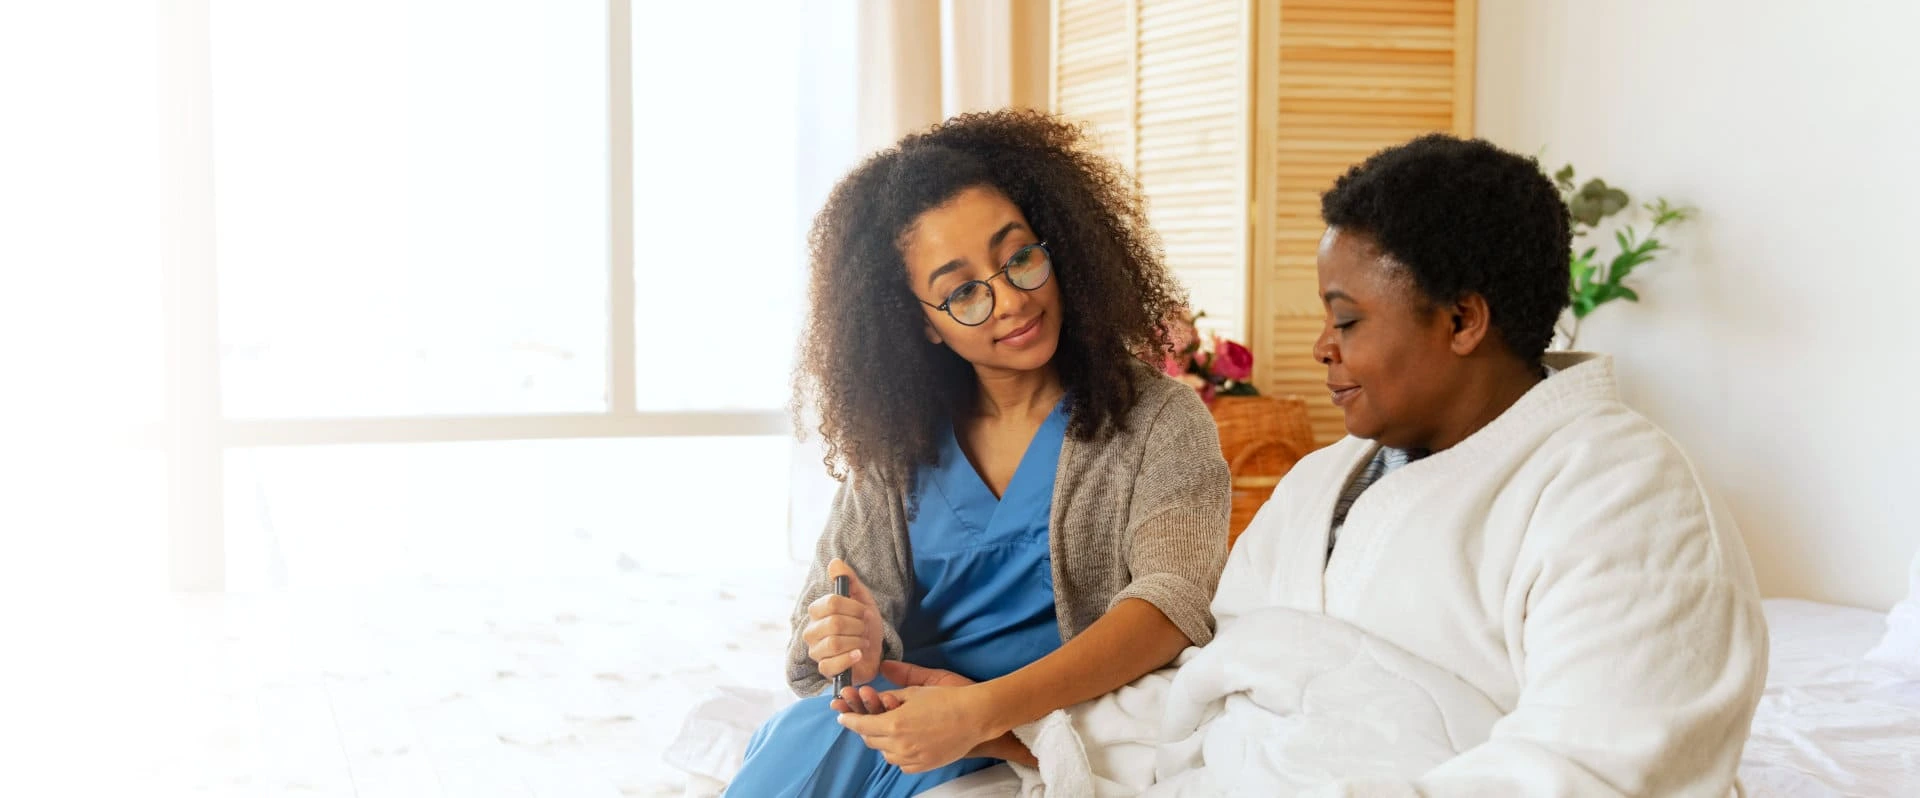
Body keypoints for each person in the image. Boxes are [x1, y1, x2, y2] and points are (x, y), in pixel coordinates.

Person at [1184, 133, 1769, 793]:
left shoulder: (1627, 494)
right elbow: (1218, 680)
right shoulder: (1319, 481)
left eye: (1346, 321)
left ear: (1462, 319)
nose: (1322, 347)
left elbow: (1592, 768)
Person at [722, 109, 1232, 797]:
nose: (1010, 300)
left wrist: (983, 712)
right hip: (898, 727)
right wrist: (855, 641)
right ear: (921, 326)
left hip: (1031, 738)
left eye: (1019, 256)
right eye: (962, 291)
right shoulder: (897, 442)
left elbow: (1172, 609)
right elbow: (821, 650)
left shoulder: (1160, 419)